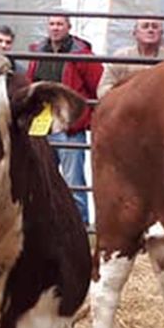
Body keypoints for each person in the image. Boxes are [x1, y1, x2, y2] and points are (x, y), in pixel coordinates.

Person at [27, 13, 101, 224]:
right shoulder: (38, 51)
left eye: (60, 24)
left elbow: (97, 85)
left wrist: (84, 116)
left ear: (69, 27)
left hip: (69, 125)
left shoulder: (82, 54)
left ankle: (81, 223)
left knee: (73, 179)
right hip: (42, 124)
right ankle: (46, 222)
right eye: (51, 23)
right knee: (42, 175)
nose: (55, 28)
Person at [98, 18, 164, 97]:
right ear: (135, 33)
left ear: (161, 33)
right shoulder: (121, 57)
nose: (150, 30)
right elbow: (103, 89)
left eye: (155, 27)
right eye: (145, 26)